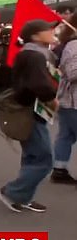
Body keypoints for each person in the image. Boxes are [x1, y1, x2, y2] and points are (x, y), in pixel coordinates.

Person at [0, 19, 59, 213]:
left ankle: (24, 196)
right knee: (44, 159)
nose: (52, 31)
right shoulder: (34, 55)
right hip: (30, 111)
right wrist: (51, 98)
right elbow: (38, 84)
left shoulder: (33, 54)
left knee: (33, 156)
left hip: (28, 109)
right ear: (36, 35)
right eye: (47, 29)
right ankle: (13, 192)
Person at [51, 13, 77, 184]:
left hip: (68, 100)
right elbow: (72, 73)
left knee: (66, 135)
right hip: (72, 100)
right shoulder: (74, 45)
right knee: (66, 135)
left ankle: (59, 169)